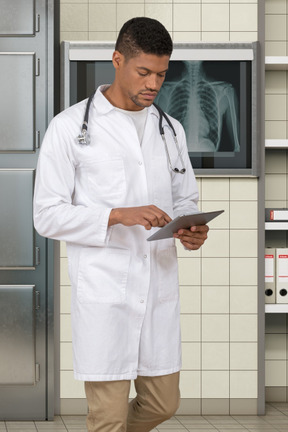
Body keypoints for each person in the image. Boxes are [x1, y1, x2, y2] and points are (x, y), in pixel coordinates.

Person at [33, 17, 208, 432]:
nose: (153, 84)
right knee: (108, 417)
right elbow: (46, 214)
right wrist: (115, 214)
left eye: (162, 75)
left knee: (164, 404)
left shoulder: (171, 130)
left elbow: (185, 198)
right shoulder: (68, 128)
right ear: (117, 60)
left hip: (158, 291)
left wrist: (192, 231)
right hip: (105, 293)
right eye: (143, 72)